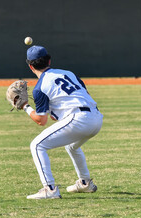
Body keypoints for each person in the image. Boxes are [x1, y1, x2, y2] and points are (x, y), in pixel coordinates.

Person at [22, 45, 103, 200]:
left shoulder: (40, 88)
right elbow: (83, 95)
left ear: (30, 66)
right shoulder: (68, 73)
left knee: (37, 145)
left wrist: (25, 107)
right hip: (96, 118)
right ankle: (85, 183)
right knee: (72, 146)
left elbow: (41, 120)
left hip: (78, 120)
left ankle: (50, 189)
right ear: (49, 60)